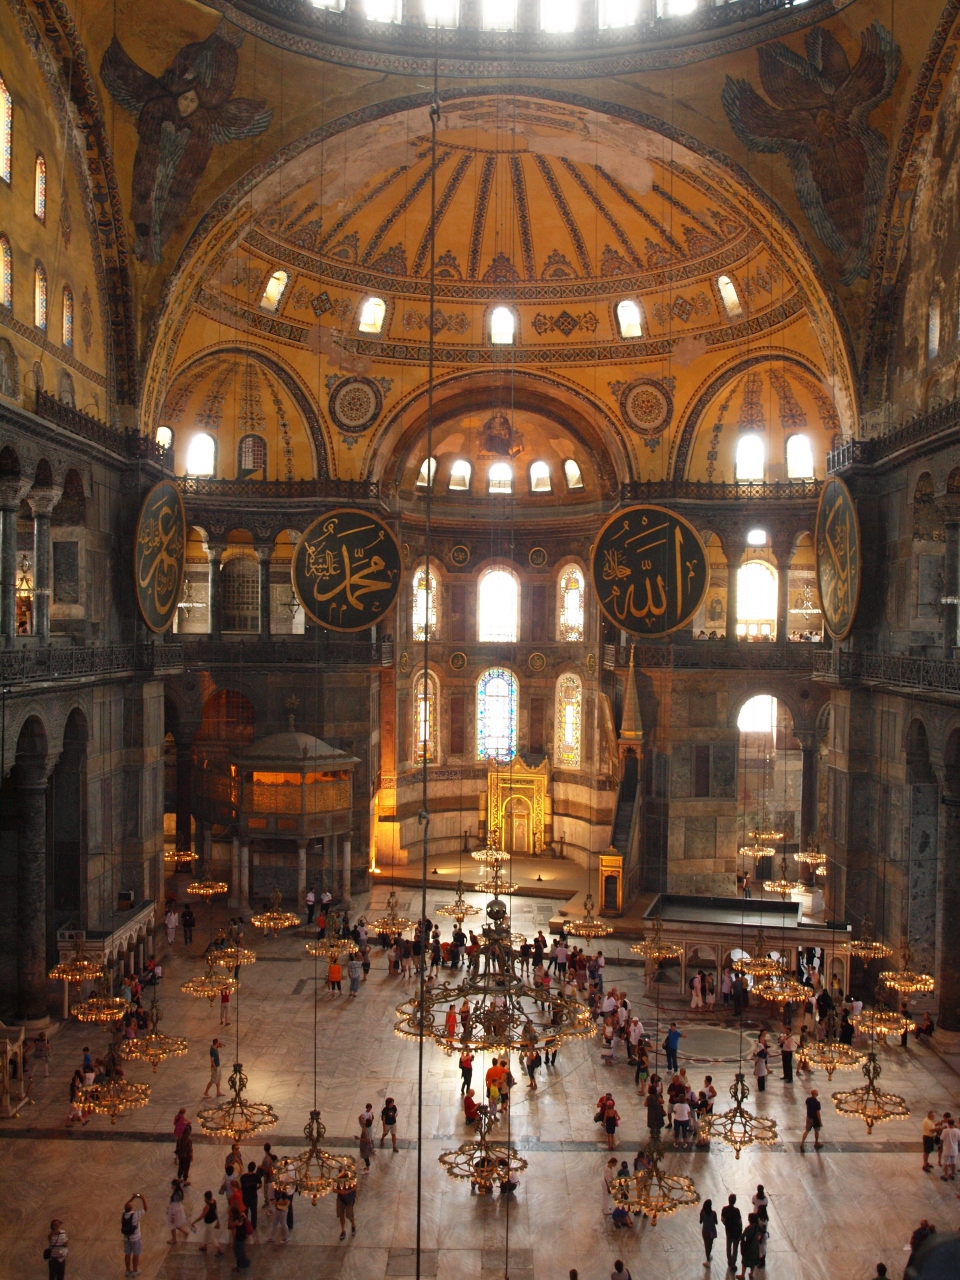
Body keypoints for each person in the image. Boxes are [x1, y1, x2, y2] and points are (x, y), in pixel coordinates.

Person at [120, 1192, 147, 1276]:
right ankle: (135, 1271)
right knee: (136, 1254)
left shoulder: (123, 1214)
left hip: (126, 1237)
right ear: (131, 1208)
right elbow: (145, 1208)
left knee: (127, 1254)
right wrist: (142, 1197)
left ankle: (128, 1270)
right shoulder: (135, 1215)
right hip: (136, 1238)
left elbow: (126, 1205)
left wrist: (132, 1198)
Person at [192, 1191, 222, 1256]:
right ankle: (205, 1246)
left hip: (210, 1223)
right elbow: (216, 1210)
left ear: (206, 1198)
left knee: (212, 1237)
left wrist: (194, 1222)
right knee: (206, 1234)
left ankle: (219, 1250)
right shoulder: (214, 1201)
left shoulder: (208, 1206)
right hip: (214, 1220)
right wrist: (218, 1220)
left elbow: (202, 1215)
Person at [721, 1194, 743, 1271]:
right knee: (735, 1248)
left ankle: (729, 1261)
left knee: (728, 1247)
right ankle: (733, 1263)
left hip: (728, 1231)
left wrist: (726, 1225)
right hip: (736, 1232)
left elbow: (722, 1219)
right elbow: (740, 1222)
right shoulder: (737, 1210)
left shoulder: (724, 1209)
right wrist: (741, 1231)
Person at [738, 1212, 762, 1280]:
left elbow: (742, 1236)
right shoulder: (757, 1226)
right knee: (753, 1261)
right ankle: (751, 1274)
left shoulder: (748, 1228)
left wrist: (739, 1238)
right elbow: (763, 1231)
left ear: (750, 1219)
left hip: (748, 1247)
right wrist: (759, 1236)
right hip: (755, 1246)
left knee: (745, 1261)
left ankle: (742, 1275)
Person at [239, 1163, 261, 1231]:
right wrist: (256, 1188)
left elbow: (240, 1187)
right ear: (254, 1169)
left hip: (245, 1197)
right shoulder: (256, 1176)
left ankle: (245, 1225)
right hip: (253, 1197)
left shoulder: (243, 1177)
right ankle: (253, 1226)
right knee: (254, 1212)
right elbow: (260, 1185)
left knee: (245, 1212)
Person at [229, 1203, 252, 1268]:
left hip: (239, 1237)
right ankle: (242, 1264)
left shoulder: (236, 1221)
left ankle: (242, 1264)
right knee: (241, 1251)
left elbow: (231, 1225)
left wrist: (231, 1217)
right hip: (243, 1236)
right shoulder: (242, 1216)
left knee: (238, 1252)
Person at [166, 1179, 188, 1244]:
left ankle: (174, 1239)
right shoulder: (179, 1192)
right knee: (177, 1224)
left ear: (175, 1186)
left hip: (175, 1211)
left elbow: (174, 1205)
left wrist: (172, 1215)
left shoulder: (175, 1194)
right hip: (178, 1210)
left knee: (172, 1225)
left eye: (172, 1185)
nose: (171, 1186)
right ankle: (185, 1232)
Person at [700, 1198, 718, 1263]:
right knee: (710, 1244)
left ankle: (707, 1258)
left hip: (705, 1231)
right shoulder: (714, 1213)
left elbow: (700, 1221)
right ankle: (708, 1256)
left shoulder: (702, 1213)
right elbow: (716, 1222)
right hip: (712, 1231)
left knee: (706, 1245)